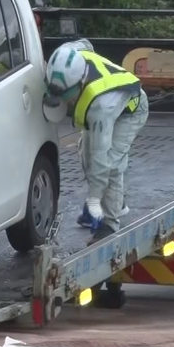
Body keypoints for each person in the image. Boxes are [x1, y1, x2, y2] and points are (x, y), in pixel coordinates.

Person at [43, 39, 149, 244]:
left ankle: (109, 223)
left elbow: (102, 161)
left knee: (110, 163)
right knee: (85, 152)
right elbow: (86, 44)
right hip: (108, 103)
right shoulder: (67, 56)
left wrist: (93, 197)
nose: (67, 102)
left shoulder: (102, 108)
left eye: (67, 96)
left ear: (80, 83)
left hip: (130, 112)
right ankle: (111, 201)